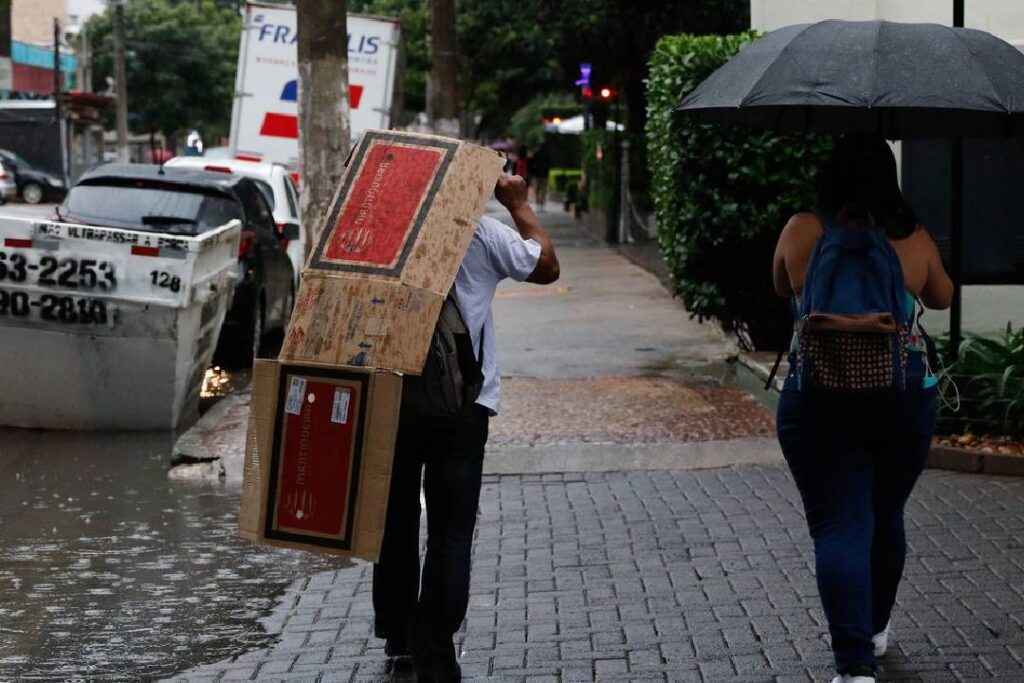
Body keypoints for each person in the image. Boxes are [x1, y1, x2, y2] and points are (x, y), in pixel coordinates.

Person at [772, 133, 953, 683]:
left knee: (838, 525)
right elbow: (943, 296)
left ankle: (854, 666)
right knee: (884, 513)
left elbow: (782, 286)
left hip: (818, 394)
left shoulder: (805, 228)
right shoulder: (910, 235)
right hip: (901, 396)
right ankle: (873, 628)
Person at [372, 173, 560, 682]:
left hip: (389, 399)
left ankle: (397, 634)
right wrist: (518, 204)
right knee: (452, 532)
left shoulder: (375, 233)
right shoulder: (477, 232)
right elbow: (545, 266)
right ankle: (434, 652)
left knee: (394, 522)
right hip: (463, 405)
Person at [530, 142, 551, 210]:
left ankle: (537, 202)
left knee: (537, 188)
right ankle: (542, 203)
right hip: (545, 174)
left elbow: (532, 163)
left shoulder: (536, 153)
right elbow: (549, 163)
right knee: (543, 189)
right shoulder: (547, 153)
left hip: (537, 174)